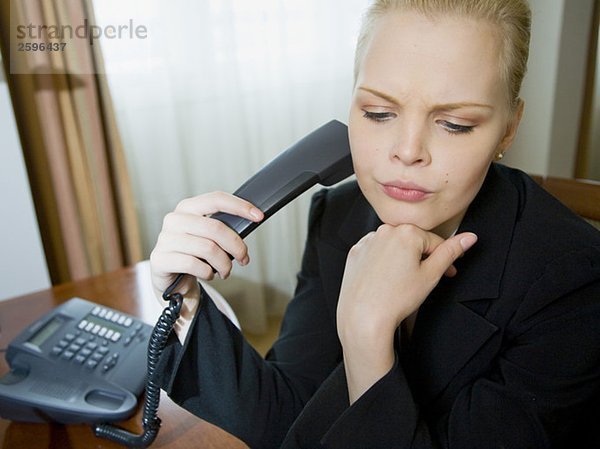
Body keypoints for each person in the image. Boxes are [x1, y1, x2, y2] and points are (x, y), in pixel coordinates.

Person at [150, 1, 600, 448]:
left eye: (455, 124)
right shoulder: (339, 215)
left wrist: (367, 344)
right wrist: (184, 300)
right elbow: (286, 418)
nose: (407, 151)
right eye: (378, 114)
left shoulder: (574, 283)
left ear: (508, 128)